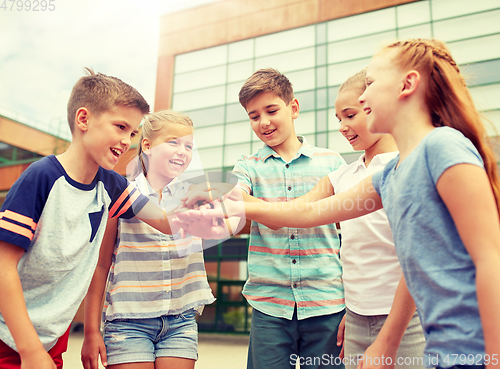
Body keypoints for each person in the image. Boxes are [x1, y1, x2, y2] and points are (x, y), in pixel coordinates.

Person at [203, 39, 500, 369]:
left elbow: (490, 259)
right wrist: (223, 202)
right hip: (435, 346)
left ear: (408, 84)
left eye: (370, 83)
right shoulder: (388, 176)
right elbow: (304, 212)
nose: (362, 96)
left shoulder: (442, 147)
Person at [0, 69, 219, 369]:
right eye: (120, 126)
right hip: (10, 335)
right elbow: (2, 266)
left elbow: (167, 222)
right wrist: (29, 350)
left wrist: (211, 201)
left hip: (51, 338)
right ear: (83, 119)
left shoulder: (112, 186)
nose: (126, 140)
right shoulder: (41, 178)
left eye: (131, 133)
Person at [228, 68, 347, 369]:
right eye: (254, 116)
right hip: (270, 305)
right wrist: (284, 213)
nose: (264, 122)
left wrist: (263, 210)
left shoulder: (331, 162)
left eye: (271, 110)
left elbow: (350, 236)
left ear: (293, 108)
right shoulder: (248, 166)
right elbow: (233, 201)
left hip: (328, 303)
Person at [80, 110, 216, 369]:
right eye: (173, 142)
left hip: (180, 322)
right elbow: (100, 266)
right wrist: (90, 331)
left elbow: (225, 223)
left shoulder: (196, 195)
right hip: (128, 324)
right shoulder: (121, 195)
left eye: (188, 145)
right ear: (147, 145)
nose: (183, 151)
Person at [330, 69, 425, 369]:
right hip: (357, 320)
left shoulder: (409, 165)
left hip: (410, 320)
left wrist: (386, 336)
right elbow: (300, 211)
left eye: (350, 115)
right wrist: (355, 311)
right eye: (339, 120)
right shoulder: (342, 175)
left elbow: (417, 258)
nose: (343, 127)